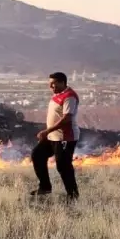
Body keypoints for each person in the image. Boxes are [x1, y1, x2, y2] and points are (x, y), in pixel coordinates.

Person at [31, 71, 80, 200]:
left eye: (54, 84)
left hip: (65, 137)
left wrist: (46, 131)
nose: (51, 87)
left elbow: (66, 119)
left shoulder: (69, 96)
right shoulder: (58, 94)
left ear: (62, 82)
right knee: (37, 154)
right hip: (52, 136)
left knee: (63, 166)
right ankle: (45, 187)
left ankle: (73, 196)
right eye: (50, 84)